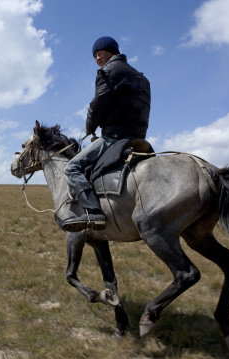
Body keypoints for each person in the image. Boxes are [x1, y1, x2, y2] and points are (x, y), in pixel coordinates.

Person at [62, 36, 151, 232]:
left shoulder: (109, 71)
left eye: (99, 53)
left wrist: (89, 128)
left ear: (110, 51)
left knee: (72, 168)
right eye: (94, 56)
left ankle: (94, 213)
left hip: (115, 137)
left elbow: (97, 104)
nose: (97, 59)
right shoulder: (141, 77)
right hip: (139, 136)